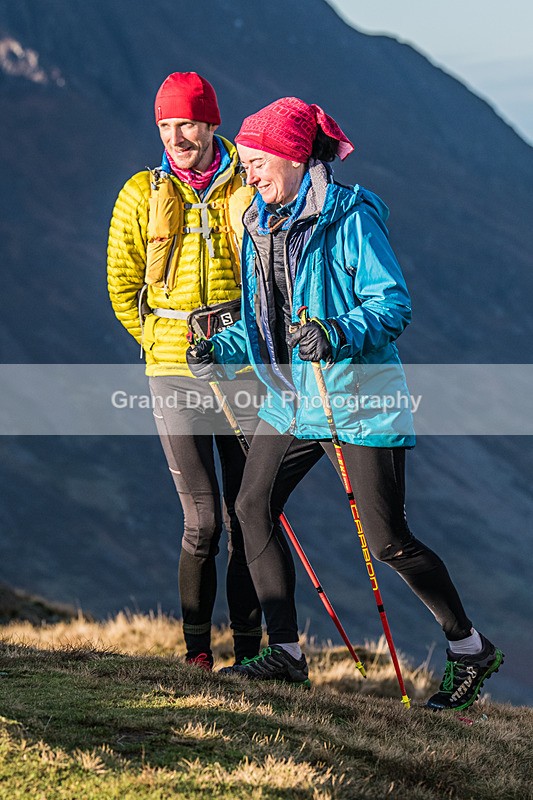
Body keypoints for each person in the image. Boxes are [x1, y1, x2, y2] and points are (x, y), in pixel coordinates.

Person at [186, 96, 504, 709]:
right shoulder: (258, 223)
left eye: (256, 162)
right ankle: (285, 654)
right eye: (245, 164)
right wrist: (221, 349)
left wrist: (336, 333)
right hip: (292, 397)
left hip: (357, 397)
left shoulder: (351, 216)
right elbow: (266, 324)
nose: (247, 174)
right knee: (251, 507)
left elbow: (392, 305)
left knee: (388, 541)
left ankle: (469, 648)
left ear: (294, 155)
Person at [107, 71, 263, 670]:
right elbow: (123, 286)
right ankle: (198, 653)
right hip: (173, 371)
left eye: (188, 124)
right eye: (167, 126)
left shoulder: (247, 187)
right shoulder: (139, 194)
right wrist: (160, 340)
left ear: (212, 123)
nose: (177, 136)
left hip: (244, 368)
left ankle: (252, 656)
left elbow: (273, 276)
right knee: (202, 523)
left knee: (252, 516)